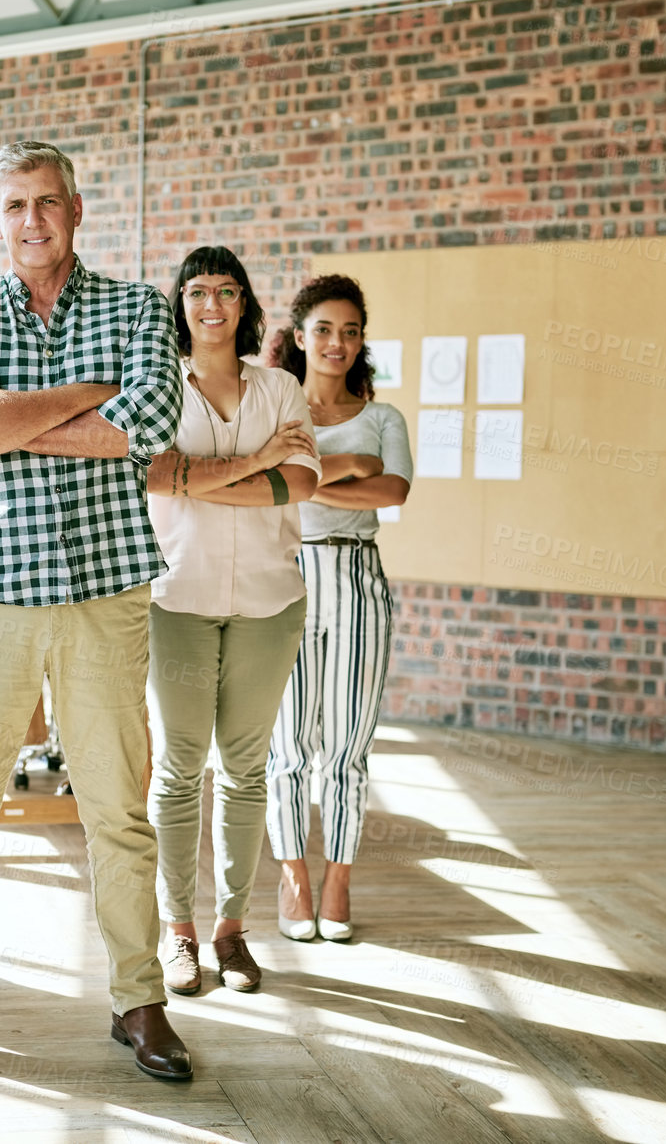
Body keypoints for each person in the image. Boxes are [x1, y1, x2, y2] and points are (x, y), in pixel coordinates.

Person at [0, 141, 188, 1086]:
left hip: (105, 590)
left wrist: (17, 415)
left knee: (115, 811)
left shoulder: (137, 306)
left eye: (46, 202)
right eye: (13, 205)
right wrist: (90, 399)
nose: (31, 220)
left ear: (76, 208)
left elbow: (153, 421)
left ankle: (139, 1001)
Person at [146, 246, 376, 995]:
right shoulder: (154, 387)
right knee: (179, 774)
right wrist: (256, 466)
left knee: (246, 773)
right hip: (175, 601)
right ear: (178, 303)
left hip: (271, 606)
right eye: (197, 290)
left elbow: (302, 483)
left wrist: (199, 477)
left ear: (244, 304)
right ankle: (177, 931)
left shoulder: (279, 387)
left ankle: (232, 932)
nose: (211, 303)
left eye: (226, 290)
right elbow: (149, 474)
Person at [264, 274, 411, 944]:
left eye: (350, 332)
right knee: (288, 745)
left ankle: (338, 878)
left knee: (347, 747)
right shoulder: (274, 407)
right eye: (323, 329)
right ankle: (293, 875)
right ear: (299, 337)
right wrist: (346, 464)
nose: (337, 343)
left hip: (357, 579)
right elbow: (267, 485)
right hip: (286, 575)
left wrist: (320, 471)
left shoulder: (384, 419)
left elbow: (392, 492)